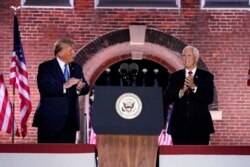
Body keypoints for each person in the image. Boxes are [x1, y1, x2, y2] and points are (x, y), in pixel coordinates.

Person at [32, 38, 90, 143]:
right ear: (60, 52)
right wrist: (65, 85)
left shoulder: (77, 68)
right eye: (71, 50)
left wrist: (79, 88)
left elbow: (85, 88)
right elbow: (44, 88)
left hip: (70, 123)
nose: (74, 53)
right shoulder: (46, 67)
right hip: (50, 121)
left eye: (74, 50)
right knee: (47, 155)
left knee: (67, 156)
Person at [164, 45, 214, 145]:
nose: (185, 58)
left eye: (189, 55)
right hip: (178, 127)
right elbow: (166, 99)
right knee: (180, 158)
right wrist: (181, 91)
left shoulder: (206, 77)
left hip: (200, 127)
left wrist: (194, 87)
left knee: (200, 158)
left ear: (196, 57)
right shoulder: (175, 77)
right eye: (183, 55)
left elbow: (209, 98)